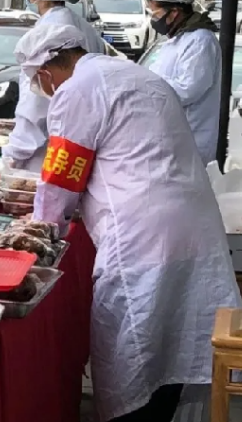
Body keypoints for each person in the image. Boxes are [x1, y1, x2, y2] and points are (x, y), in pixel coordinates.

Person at [14, 23, 241, 422]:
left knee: (134, 350)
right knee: (176, 340)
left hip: (142, 235)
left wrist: (41, 232)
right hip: (193, 225)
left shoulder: (77, 89)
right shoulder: (135, 74)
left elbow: (61, 177)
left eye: (38, 83)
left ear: (46, 73)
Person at [1, 0, 106, 173]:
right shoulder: (84, 28)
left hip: (46, 154)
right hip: (79, 147)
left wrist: (12, 157)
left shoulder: (49, 31)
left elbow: (34, 108)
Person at [146, 0, 219, 166]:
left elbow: (187, 90)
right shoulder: (175, 40)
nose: (153, 20)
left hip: (190, 139)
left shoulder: (200, 40)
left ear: (174, 12)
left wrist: (147, 87)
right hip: (168, 138)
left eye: (156, 14)